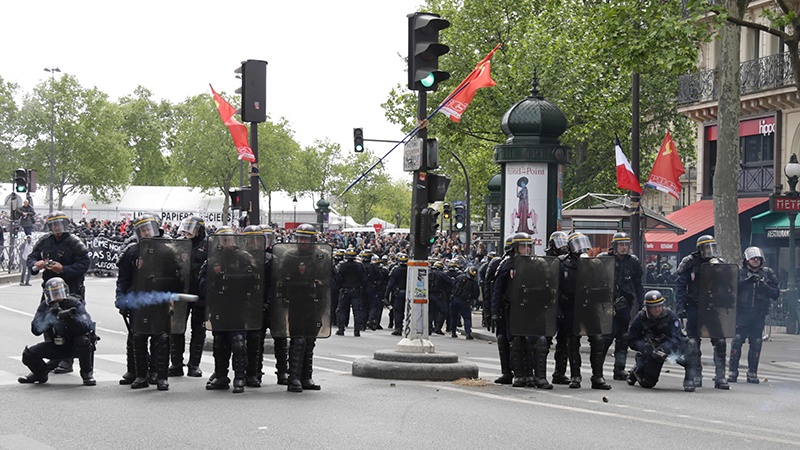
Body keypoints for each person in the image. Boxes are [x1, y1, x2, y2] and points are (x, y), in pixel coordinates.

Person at [27, 211, 91, 375]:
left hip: (71, 289)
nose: (57, 228)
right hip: (49, 288)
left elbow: (84, 264)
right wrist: (37, 264)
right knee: (48, 321)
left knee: (70, 321)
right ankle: (53, 355)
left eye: (59, 224)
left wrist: (63, 269)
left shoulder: (74, 242)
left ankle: (67, 359)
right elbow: (31, 258)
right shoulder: (45, 240)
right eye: (54, 225)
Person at [555, 232, 611, 390]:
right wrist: (558, 308)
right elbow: (556, 288)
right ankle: (575, 376)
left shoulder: (595, 263)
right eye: (577, 244)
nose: (581, 248)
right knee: (573, 342)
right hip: (571, 307)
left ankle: (598, 376)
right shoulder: (563, 263)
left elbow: (604, 285)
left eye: (583, 243)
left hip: (590, 306)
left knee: (598, 340)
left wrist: (604, 302)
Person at [18, 277, 97, 386]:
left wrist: (69, 318)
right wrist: (48, 318)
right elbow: (35, 330)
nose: (57, 296)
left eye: (59, 292)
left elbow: (85, 326)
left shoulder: (74, 304)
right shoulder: (45, 306)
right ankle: (40, 373)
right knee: (29, 354)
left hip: (74, 344)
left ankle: (87, 373)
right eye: (53, 293)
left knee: (84, 340)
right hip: (56, 343)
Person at [676, 234, 730, 390]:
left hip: (713, 307)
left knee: (720, 341)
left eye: (712, 247)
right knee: (693, 343)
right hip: (694, 306)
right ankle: (695, 375)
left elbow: (728, 285)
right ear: (699, 249)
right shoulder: (690, 263)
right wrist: (680, 307)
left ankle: (720, 377)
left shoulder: (719, 263)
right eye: (706, 248)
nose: (709, 251)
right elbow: (680, 286)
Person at [728, 247, 780, 384]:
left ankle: (752, 373)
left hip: (759, 314)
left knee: (756, 343)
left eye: (758, 259)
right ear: (747, 259)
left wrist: (764, 286)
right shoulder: (739, 272)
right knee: (737, 341)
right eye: (753, 258)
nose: (756, 261)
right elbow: (729, 289)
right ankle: (732, 372)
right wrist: (746, 282)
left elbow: (775, 294)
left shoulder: (767, 274)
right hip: (741, 313)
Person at [598, 232, 644, 380]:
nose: (624, 248)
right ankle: (597, 369)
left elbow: (638, 284)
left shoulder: (633, 262)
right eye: (621, 245)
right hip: (606, 303)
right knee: (606, 337)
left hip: (624, 304)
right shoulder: (604, 259)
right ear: (614, 246)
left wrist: (642, 302)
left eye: (626, 245)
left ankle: (619, 369)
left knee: (623, 336)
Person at [170, 215, 208, 378]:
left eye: (191, 228)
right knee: (176, 328)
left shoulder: (208, 245)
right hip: (181, 292)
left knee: (198, 330)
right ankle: (176, 364)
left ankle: (194, 365)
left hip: (199, 293)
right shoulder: (178, 244)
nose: (187, 232)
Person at [626, 290, 683, 389]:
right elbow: (631, 340)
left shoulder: (670, 315)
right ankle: (638, 368)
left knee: (691, 347)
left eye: (659, 306)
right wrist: (643, 347)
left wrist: (664, 348)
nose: (657, 310)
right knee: (648, 383)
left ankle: (691, 379)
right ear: (647, 308)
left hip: (668, 347)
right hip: (651, 351)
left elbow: (677, 338)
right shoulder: (641, 317)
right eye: (653, 307)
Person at [334, 248, 367, 336]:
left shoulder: (342, 266)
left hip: (345, 290)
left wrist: (340, 286)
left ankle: (341, 329)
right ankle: (357, 330)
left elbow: (338, 277)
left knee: (341, 310)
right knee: (357, 311)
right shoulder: (359, 266)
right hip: (355, 290)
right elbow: (364, 279)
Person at [450, 266, 479, 339]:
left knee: (454, 317)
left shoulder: (459, 277)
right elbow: (476, 294)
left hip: (454, 299)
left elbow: (453, 285)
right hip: (464, 302)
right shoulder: (474, 283)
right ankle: (468, 333)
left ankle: (453, 332)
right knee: (467, 318)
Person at [384, 253, 409, 336]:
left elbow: (391, 283)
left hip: (398, 293)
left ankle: (398, 328)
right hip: (409, 293)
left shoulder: (396, 270)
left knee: (398, 311)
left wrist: (386, 295)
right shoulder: (411, 269)